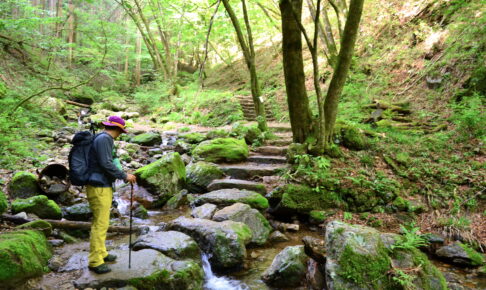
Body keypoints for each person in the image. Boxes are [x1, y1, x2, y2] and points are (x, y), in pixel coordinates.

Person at [86, 115, 136, 274]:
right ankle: (95, 261)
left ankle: (102, 253)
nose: (121, 134)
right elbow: (106, 163)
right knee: (100, 224)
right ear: (118, 129)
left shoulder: (101, 138)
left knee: (102, 222)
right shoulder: (105, 139)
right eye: (121, 131)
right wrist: (124, 176)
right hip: (99, 185)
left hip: (99, 184)